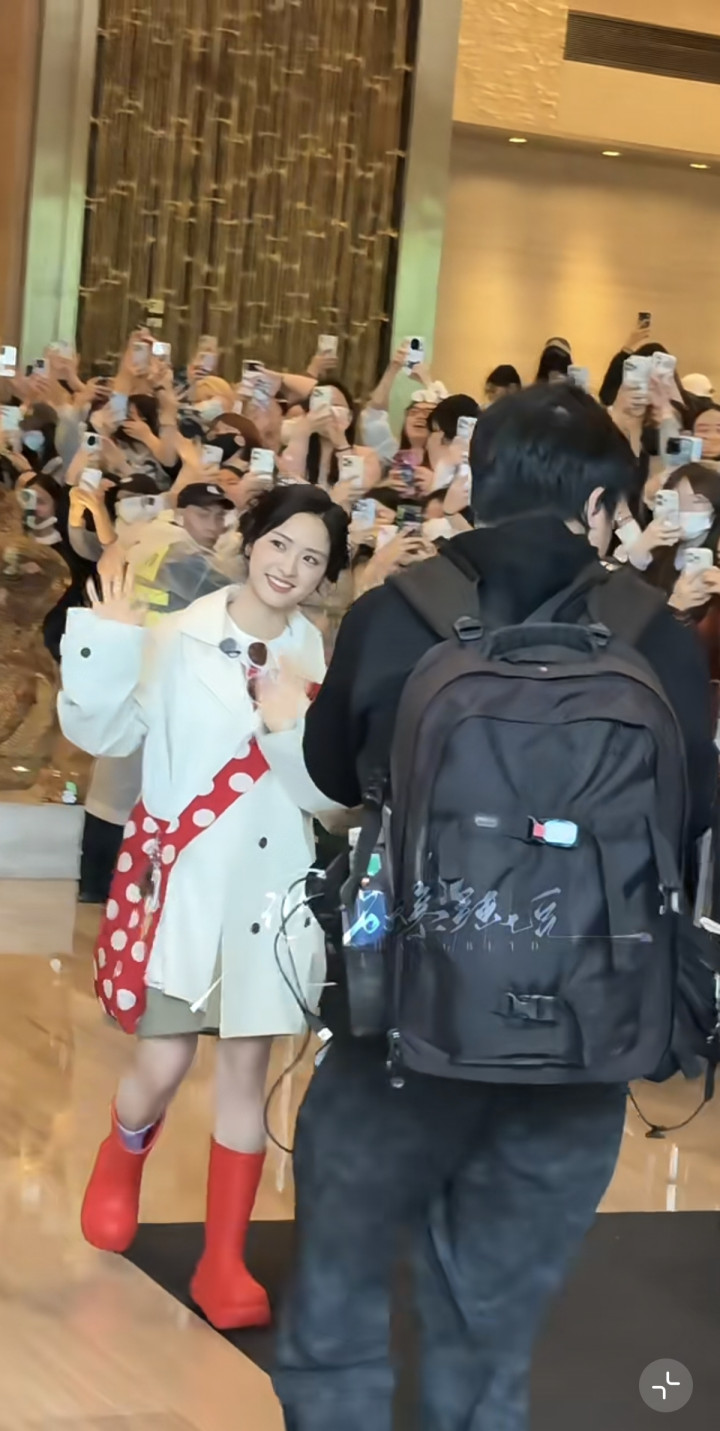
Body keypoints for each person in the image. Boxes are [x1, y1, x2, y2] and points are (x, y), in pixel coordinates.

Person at [272, 383, 717, 1431]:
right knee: (489, 1336)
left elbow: (330, 772)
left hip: (400, 1021)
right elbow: (694, 813)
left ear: (479, 483)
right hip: (583, 1039)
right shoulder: (654, 636)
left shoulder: (396, 611)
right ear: (602, 505)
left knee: (338, 1298)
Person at [58, 484, 349, 1330]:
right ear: (252, 540)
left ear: (326, 575)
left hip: (268, 896)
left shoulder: (316, 658)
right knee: (161, 1063)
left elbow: (329, 804)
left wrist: (288, 728)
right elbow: (103, 736)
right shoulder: (177, 636)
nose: (290, 567)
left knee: (245, 1076)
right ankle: (124, 1151)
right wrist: (109, 643)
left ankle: (224, 1261)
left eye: (312, 558)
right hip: (181, 888)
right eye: (281, 544)